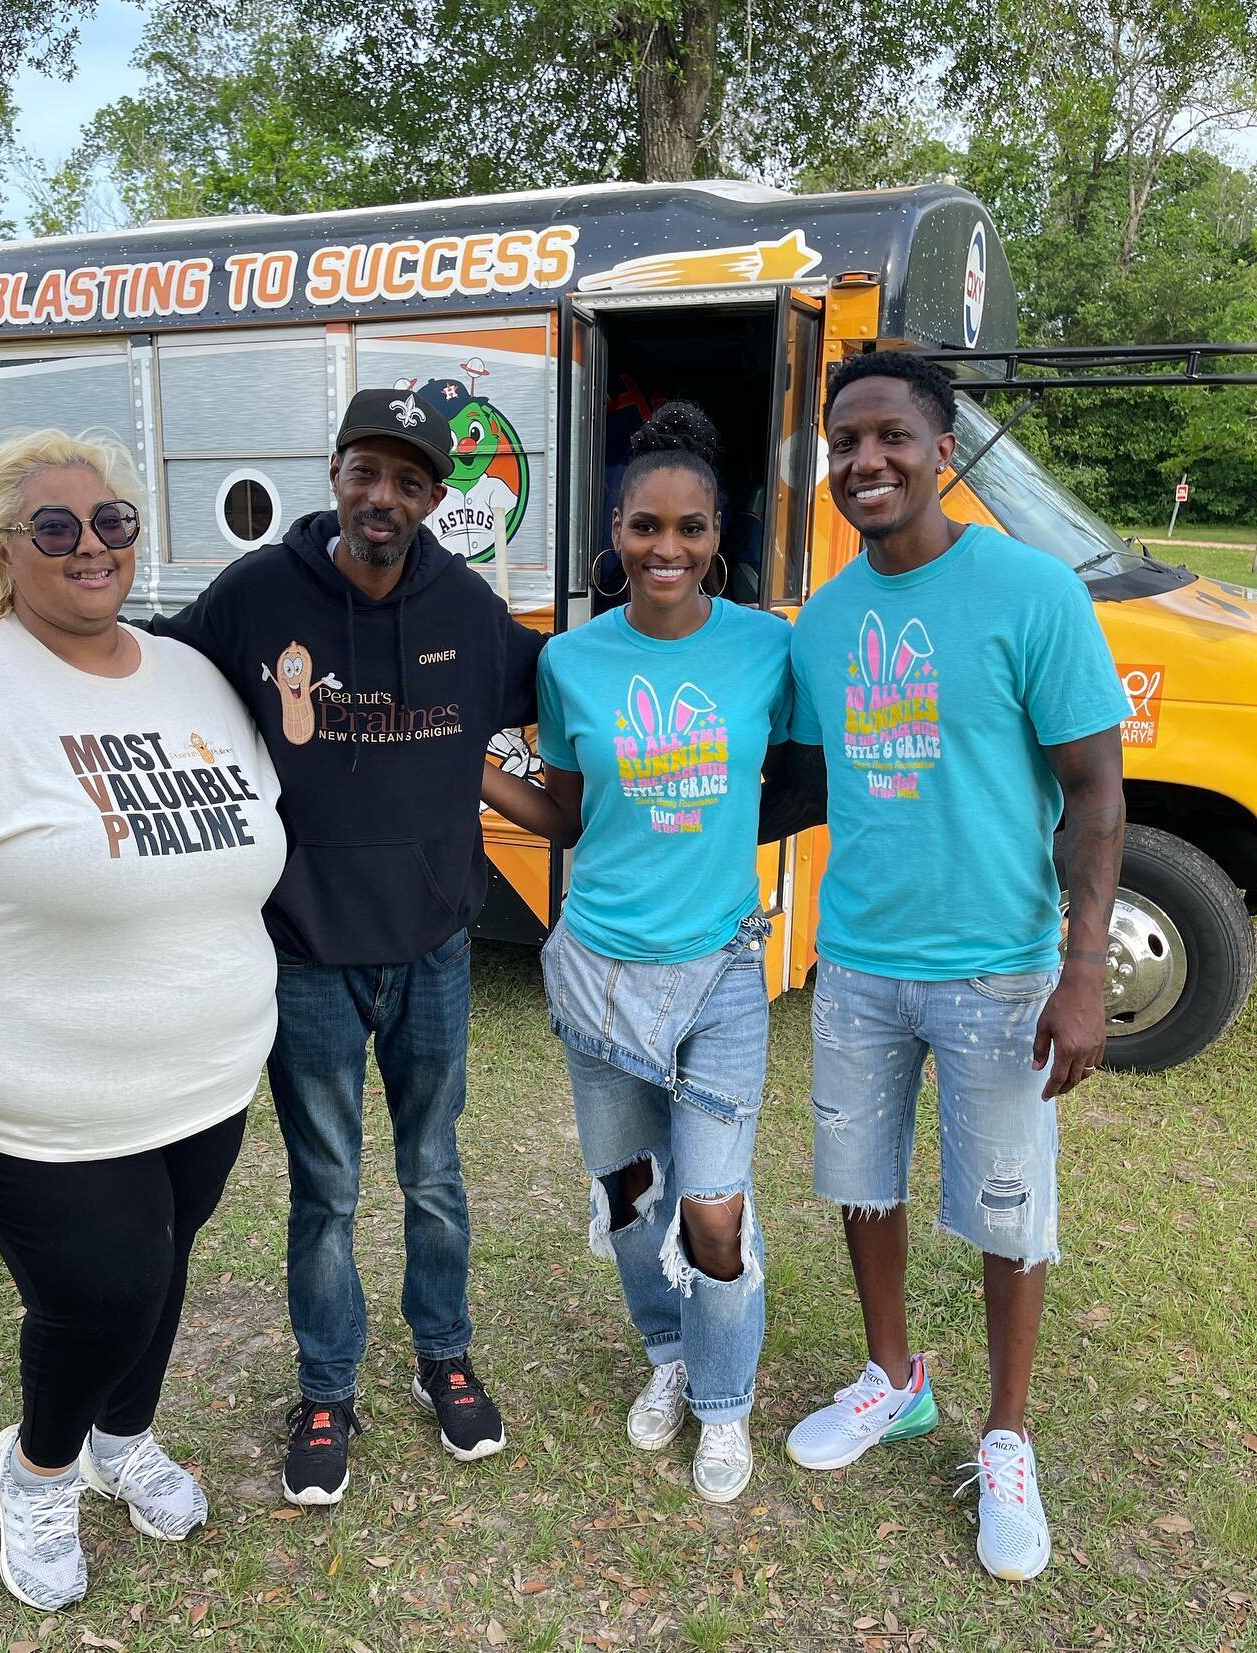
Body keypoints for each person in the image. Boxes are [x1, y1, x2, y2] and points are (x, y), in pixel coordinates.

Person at [0, 430, 287, 1611]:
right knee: (104, 1292)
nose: (92, 547)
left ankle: (124, 1439)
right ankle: (37, 1472)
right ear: (3, 545)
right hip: (29, 1101)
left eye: (114, 522)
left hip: (206, 1077)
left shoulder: (190, 676)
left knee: (166, 1267)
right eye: (57, 527)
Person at [146, 390, 544, 1507]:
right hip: (307, 953)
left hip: (433, 953)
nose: (385, 499)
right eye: (367, 473)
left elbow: (567, 689)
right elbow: (155, 681)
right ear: (335, 473)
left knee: (434, 1176)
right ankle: (326, 1391)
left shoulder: (466, 607)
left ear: (432, 500)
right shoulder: (260, 593)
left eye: (410, 483)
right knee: (325, 1189)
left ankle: (444, 1360)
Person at [779, 351, 1128, 1580]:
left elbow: (1094, 789)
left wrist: (1084, 968)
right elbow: (810, 781)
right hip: (861, 963)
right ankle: (893, 1379)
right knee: (859, 1181)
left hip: (998, 968)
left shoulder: (1030, 593)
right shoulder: (823, 620)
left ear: (942, 452)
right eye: (844, 444)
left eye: (891, 438)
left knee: (1006, 1209)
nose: (865, 463)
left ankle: (1005, 1437)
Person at [482, 401, 817, 1502]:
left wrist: (719, 835)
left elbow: (806, 779)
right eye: (643, 527)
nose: (664, 549)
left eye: (688, 528)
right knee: (630, 1195)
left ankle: (724, 1405)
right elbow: (569, 820)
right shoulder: (571, 664)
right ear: (613, 532)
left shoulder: (771, 647)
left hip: (719, 965)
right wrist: (462, 771)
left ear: (721, 535)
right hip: (597, 969)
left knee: (713, 1208)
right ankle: (668, 1359)